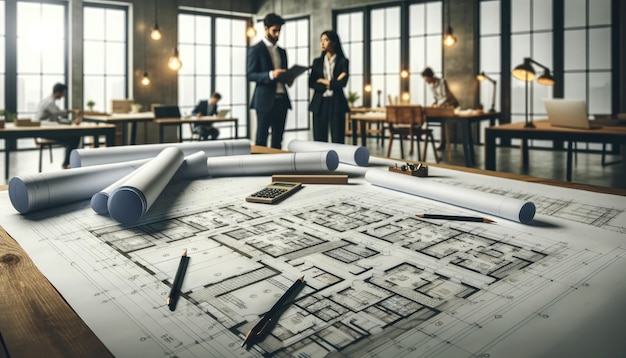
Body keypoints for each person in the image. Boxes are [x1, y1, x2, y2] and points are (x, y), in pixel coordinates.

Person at [247, 13, 292, 149]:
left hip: (282, 99)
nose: (277, 34)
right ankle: (259, 170)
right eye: (274, 30)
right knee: (261, 138)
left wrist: (288, 79)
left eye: (279, 31)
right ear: (265, 28)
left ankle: (277, 169)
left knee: (278, 139)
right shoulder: (256, 50)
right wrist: (271, 74)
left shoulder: (282, 51)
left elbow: (283, 74)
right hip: (264, 100)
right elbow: (250, 75)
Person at [309, 30, 350, 144]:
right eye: (321, 40)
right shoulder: (317, 62)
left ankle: (338, 161)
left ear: (334, 42)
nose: (322, 43)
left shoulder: (343, 62)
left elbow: (343, 83)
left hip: (337, 103)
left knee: (338, 138)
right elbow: (311, 83)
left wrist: (323, 81)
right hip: (320, 103)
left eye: (326, 40)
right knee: (319, 139)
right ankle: (320, 161)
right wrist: (332, 83)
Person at [34, 83, 81, 169]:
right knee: (75, 138)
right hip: (44, 131)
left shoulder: (49, 101)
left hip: (47, 129)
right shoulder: (49, 102)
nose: (63, 96)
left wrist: (71, 122)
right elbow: (58, 113)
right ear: (58, 92)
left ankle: (66, 163)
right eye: (63, 93)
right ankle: (66, 164)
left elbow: (57, 119)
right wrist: (73, 111)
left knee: (75, 137)